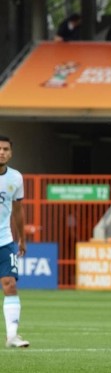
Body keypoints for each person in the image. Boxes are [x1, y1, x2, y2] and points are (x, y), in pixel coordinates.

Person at [0, 136, 29, 348]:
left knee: (10, 285)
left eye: (5, 149)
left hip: (5, 241)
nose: (1, 152)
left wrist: (22, 238)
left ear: (11, 153)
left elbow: (18, 211)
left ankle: (12, 336)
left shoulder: (16, 178)